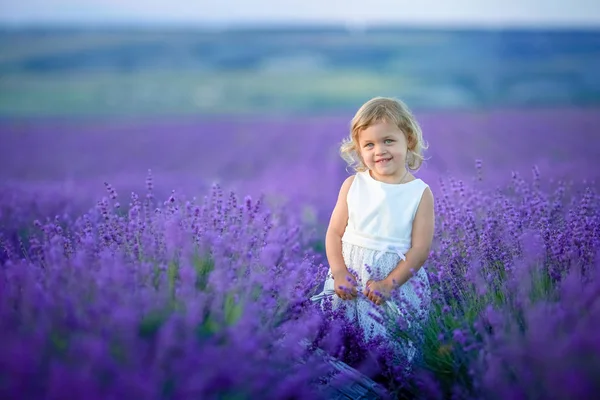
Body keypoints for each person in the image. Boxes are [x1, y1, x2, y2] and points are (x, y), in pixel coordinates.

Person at [311, 96, 435, 365]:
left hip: (395, 284)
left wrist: (389, 284)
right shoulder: (352, 185)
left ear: (409, 140)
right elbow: (334, 234)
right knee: (340, 344)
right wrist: (339, 272)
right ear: (359, 149)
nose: (379, 150)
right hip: (350, 281)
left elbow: (420, 249)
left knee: (388, 351)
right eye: (369, 144)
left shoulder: (419, 193)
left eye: (388, 141)